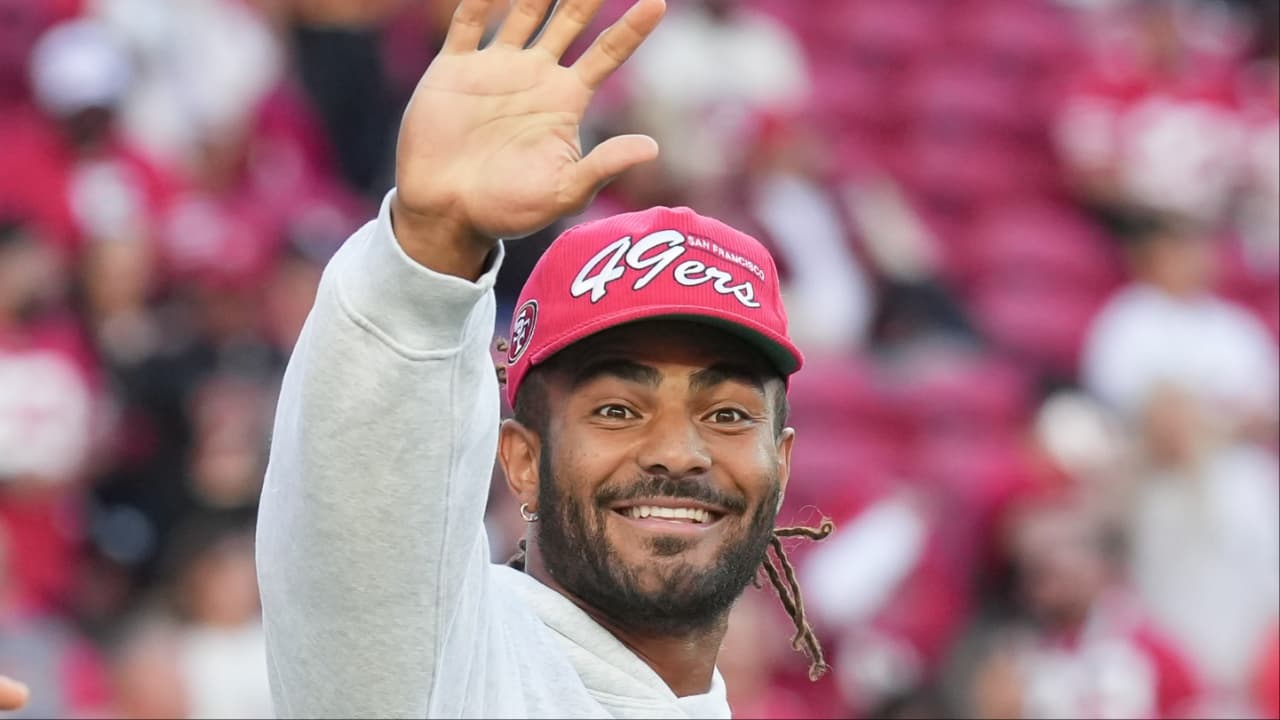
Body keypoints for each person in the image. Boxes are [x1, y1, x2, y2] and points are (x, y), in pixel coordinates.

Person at [255, 0, 831, 717]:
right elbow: (363, 529)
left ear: (781, 464)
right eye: (618, 409)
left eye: (726, 413)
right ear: (523, 461)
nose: (680, 452)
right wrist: (428, 255)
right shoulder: (446, 670)